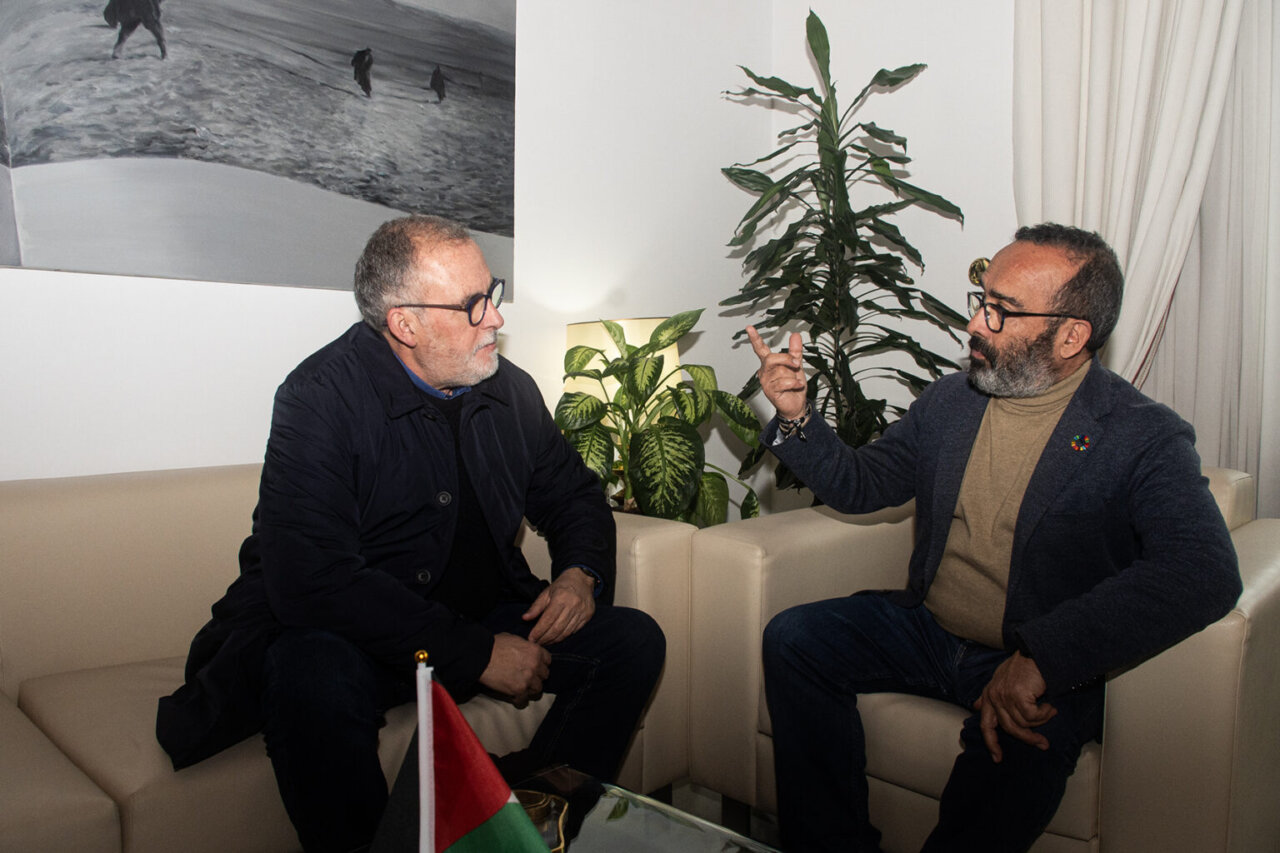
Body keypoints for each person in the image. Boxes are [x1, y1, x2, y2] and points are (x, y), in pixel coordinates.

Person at [156, 215, 665, 853]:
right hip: (365, 638)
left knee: (633, 643)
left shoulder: (510, 391)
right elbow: (313, 582)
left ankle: (529, 824)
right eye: (475, 305)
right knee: (308, 673)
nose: (497, 320)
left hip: (479, 610)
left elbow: (572, 494)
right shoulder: (318, 399)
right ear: (405, 323)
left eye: (493, 293)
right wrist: (479, 654)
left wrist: (580, 574)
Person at [748, 223, 1242, 852]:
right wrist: (796, 418)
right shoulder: (953, 400)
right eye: (981, 299)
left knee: (1009, 766)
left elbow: (1202, 570)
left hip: (1032, 656)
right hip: (928, 629)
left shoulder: (1142, 435)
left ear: (1071, 335)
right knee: (795, 639)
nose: (975, 324)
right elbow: (864, 484)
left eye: (1000, 311)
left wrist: (1041, 657)